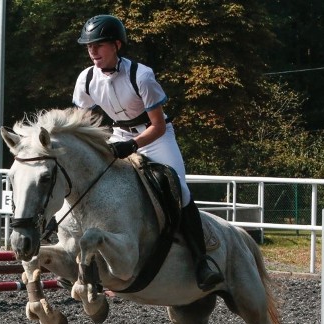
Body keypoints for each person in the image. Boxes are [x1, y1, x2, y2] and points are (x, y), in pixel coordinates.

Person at [72, 14, 223, 292]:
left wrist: (132, 145)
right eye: (89, 46)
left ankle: (202, 261)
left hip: (155, 137)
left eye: (99, 45)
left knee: (180, 188)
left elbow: (158, 125)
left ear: (116, 45)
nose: (92, 51)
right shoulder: (86, 79)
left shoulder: (141, 75)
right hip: (118, 133)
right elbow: (80, 121)